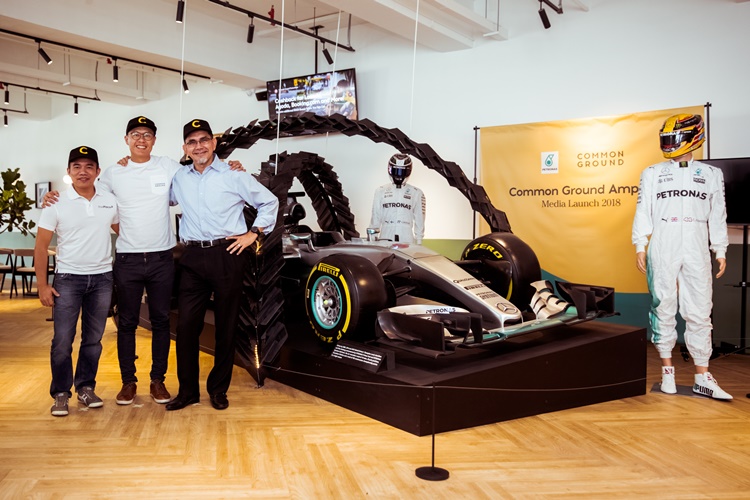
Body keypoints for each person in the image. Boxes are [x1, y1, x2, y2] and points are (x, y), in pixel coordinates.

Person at [165, 119, 279, 411]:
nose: (199, 146)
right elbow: (154, 197)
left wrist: (253, 234)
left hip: (227, 254)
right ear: (185, 148)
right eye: (192, 142)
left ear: (213, 144)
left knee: (226, 326)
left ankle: (218, 390)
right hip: (191, 257)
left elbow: (269, 203)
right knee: (187, 326)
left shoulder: (234, 174)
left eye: (204, 140)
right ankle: (188, 391)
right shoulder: (179, 178)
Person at [632, 113, 731, 400]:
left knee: (700, 311)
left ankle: (703, 376)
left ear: (692, 138)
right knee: (663, 305)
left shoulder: (711, 174)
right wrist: (641, 243)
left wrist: (720, 249)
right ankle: (668, 375)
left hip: (697, 244)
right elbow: (643, 210)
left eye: (673, 138)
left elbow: (718, 215)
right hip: (664, 241)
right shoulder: (652, 173)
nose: (668, 144)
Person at [35, 146, 119, 416]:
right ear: (69, 172)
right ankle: (60, 393)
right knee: (62, 340)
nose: (83, 171)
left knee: (93, 340)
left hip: (103, 279)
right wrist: (42, 285)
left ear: (97, 171)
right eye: (77, 167)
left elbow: (124, 229)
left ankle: (85, 387)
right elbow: (40, 246)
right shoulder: (55, 202)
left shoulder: (109, 200)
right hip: (68, 280)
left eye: (89, 166)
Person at [370, 154, 426, 244]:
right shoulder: (380, 191)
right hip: (385, 235)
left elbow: (420, 220)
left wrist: (419, 241)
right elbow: (375, 218)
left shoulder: (416, 193)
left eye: (402, 171)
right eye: (396, 171)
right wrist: (372, 240)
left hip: (406, 236)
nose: (398, 175)